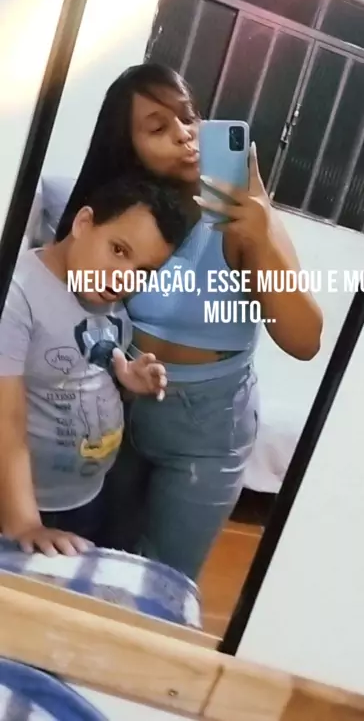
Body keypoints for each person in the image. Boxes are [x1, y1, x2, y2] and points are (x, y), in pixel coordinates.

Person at [54, 63, 324, 580]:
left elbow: (304, 339)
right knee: (99, 557)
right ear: (128, 146)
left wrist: (262, 233)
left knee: (161, 578)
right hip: (120, 406)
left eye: (189, 116)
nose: (184, 133)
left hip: (207, 427)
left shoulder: (246, 221)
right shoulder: (121, 214)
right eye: (158, 127)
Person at [0, 175, 187, 556]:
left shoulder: (106, 299)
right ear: (83, 223)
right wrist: (23, 522)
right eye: (118, 250)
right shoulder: (17, 292)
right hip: (25, 505)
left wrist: (126, 375)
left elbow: (88, 357)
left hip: (86, 496)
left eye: (144, 271)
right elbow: (7, 418)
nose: (124, 278)